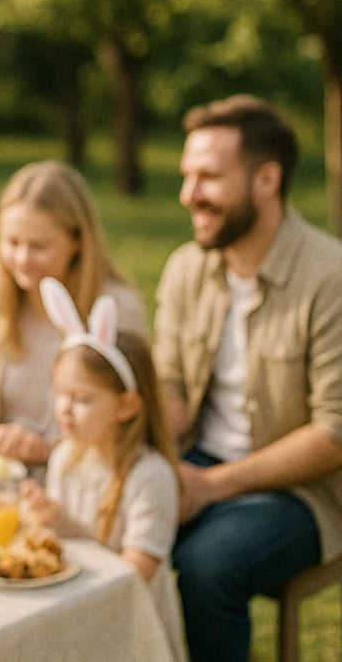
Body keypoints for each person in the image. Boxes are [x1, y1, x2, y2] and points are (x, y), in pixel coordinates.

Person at [156, 94, 342, 661]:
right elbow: (172, 392)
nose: (188, 194)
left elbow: (335, 434)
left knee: (207, 568)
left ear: (267, 180)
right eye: (187, 175)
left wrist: (211, 486)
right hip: (200, 460)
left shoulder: (330, 278)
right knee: (108, 532)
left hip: (305, 491)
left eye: (208, 177)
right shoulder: (186, 268)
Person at [22, 277, 186, 661]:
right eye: (60, 393)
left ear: (127, 406)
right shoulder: (65, 458)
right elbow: (68, 550)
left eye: (81, 399)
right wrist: (50, 521)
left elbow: (134, 577)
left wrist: (66, 530)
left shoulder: (150, 476)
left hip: (131, 637)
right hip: (79, 619)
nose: (64, 409)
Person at [0, 160, 147, 466]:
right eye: (12, 242)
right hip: (3, 476)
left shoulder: (116, 307)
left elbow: (134, 424)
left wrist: (51, 451)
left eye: (39, 246)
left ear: (77, 241)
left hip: (85, 478)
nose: (22, 259)